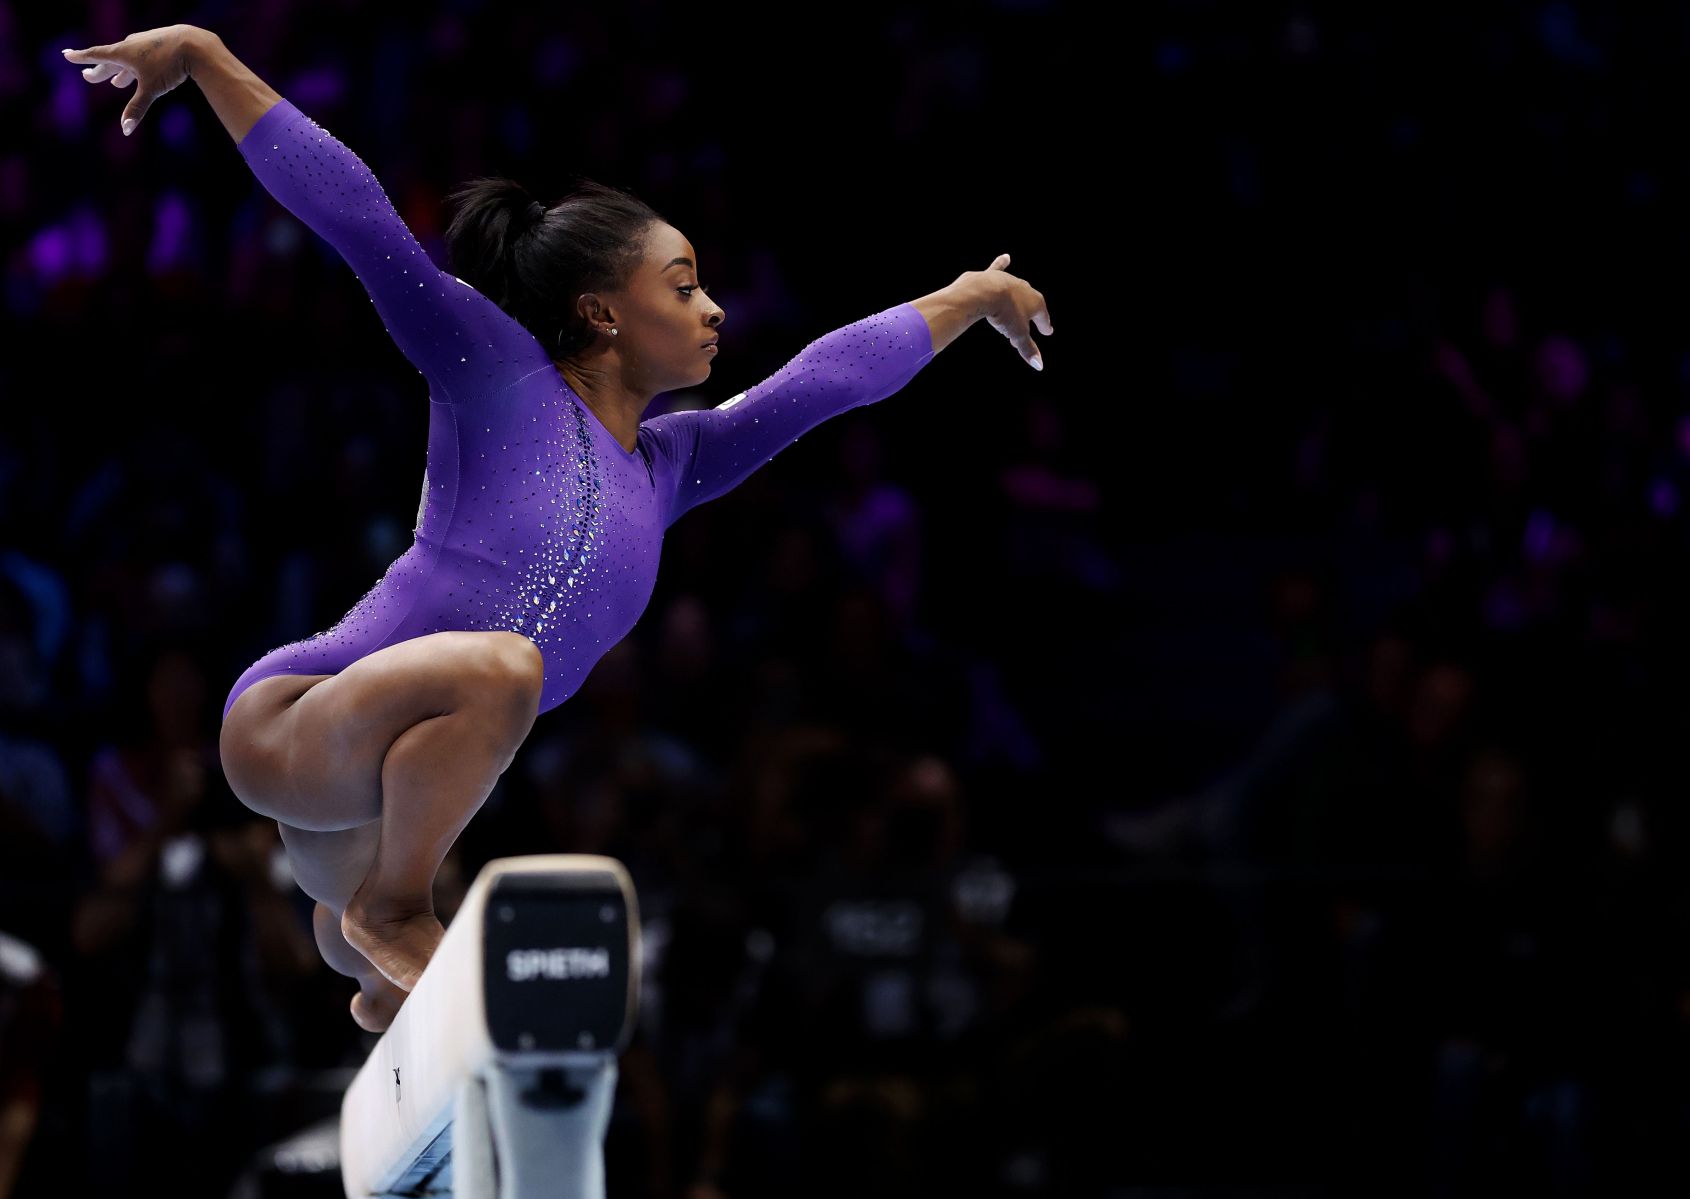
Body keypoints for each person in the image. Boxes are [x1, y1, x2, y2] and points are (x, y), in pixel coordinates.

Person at [62, 24, 1052, 1032]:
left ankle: (362, 939)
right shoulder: (494, 370)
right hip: (298, 721)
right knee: (505, 673)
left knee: (425, 872)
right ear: (603, 312)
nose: (713, 310)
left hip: (367, 807)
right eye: (683, 285)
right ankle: (395, 907)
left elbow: (821, 382)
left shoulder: (671, 467)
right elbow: (360, 220)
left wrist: (966, 298)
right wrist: (204, 57)